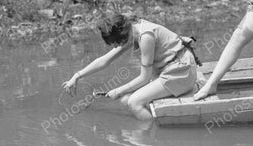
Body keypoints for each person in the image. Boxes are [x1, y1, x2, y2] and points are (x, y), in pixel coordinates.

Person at [63, 14, 199, 121]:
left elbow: (144, 78)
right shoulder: (132, 30)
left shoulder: (145, 37)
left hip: (182, 71)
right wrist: (77, 76)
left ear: (122, 35)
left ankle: (152, 138)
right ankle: (153, 123)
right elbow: (104, 61)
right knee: (125, 100)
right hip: (170, 70)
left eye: (117, 43)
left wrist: (118, 90)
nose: (117, 46)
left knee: (134, 102)